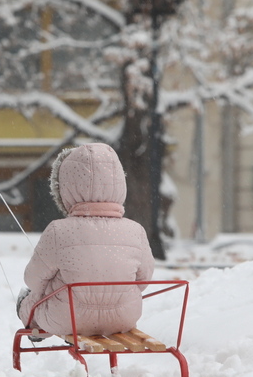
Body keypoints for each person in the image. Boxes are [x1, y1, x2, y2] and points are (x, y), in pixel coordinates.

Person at [17, 143, 155, 338]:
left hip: (67, 318)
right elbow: (144, 279)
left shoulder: (59, 230)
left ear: (66, 187)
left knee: (33, 298)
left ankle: (37, 330)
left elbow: (33, 278)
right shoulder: (136, 230)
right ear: (118, 182)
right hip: (123, 318)